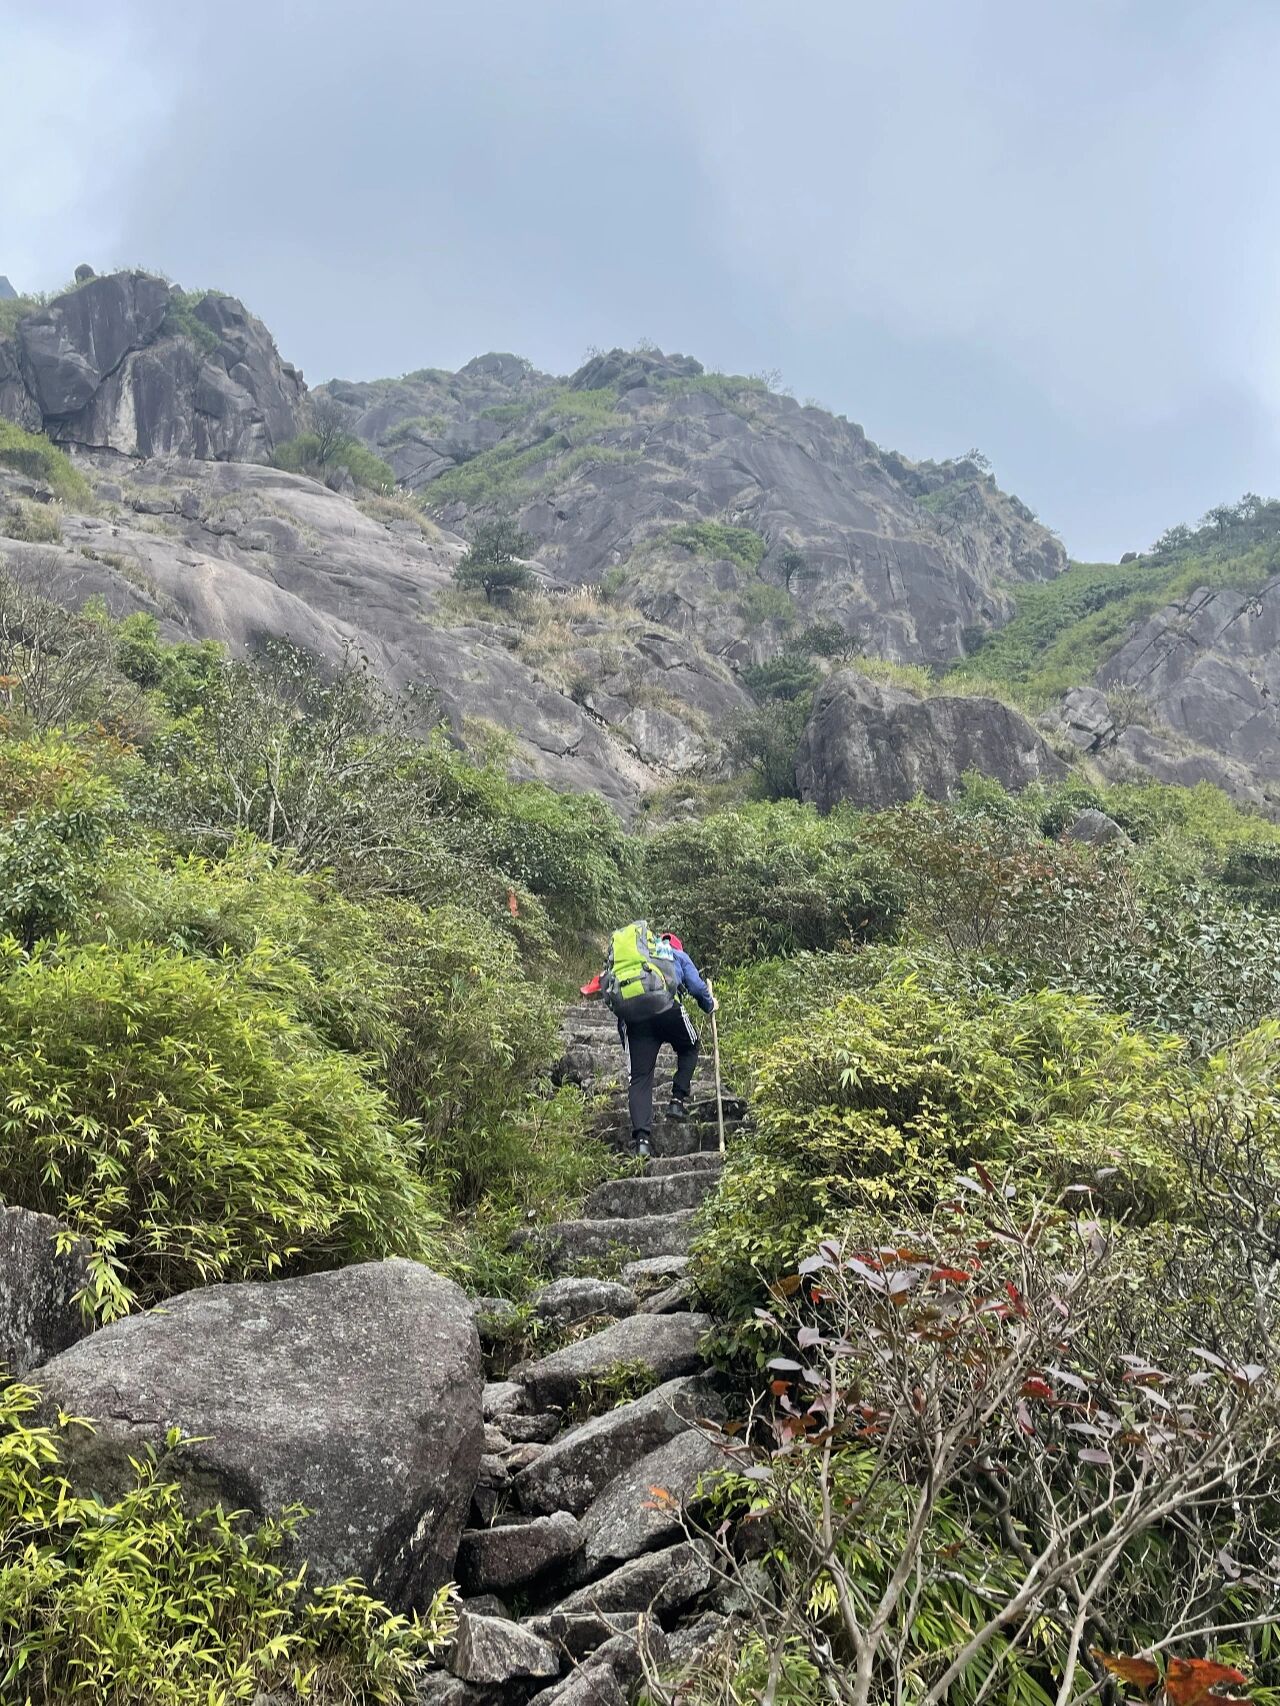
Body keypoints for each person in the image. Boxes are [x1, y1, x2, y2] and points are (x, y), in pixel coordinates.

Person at [585, 923, 716, 1159]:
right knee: (691, 1045)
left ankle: (642, 1142)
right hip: (666, 1007)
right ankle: (677, 1100)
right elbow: (696, 987)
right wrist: (710, 1005)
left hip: (636, 1019)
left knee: (640, 1078)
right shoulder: (676, 954)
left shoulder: (634, 959)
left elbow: (600, 986)